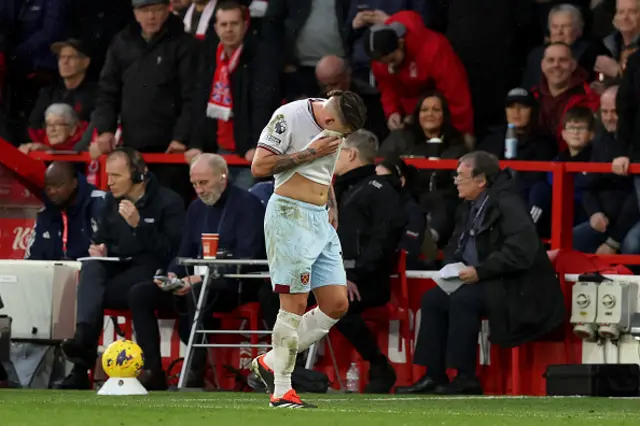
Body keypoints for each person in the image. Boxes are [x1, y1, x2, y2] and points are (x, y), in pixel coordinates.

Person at [395, 151, 565, 395]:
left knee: (464, 300)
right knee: (433, 299)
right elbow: (456, 244)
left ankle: (466, 378)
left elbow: (520, 250)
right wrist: (452, 268)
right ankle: (434, 375)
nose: (455, 181)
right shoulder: (468, 207)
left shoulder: (507, 203)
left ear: (481, 179)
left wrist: (480, 271)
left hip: (516, 286)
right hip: (482, 279)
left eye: (461, 176)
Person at [250, 90, 367, 408]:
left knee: (337, 303)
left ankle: (269, 362)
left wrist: (331, 202)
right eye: (342, 132)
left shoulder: (336, 117)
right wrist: (309, 152)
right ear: (330, 120)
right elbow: (258, 167)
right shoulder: (288, 116)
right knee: (294, 305)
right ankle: (281, 390)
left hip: (320, 219)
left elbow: (325, 170)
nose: (342, 138)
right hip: (289, 215)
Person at [129, 153, 265, 390]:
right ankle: (152, 371)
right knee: (140, 294)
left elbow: (248, 257)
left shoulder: (247, 205)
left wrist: (201, 278)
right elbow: (184, 253)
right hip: (195, 282)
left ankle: (195, 370)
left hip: (234, 285)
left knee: (198, 290)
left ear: (223, 178)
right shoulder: (195, 208)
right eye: (194, 184)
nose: (199, 190)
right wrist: (172, 275)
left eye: (204, 183)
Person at [56, 147, 185, 389]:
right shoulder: (110, 201)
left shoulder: (169, 202)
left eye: (116, 176)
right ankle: (82, 345)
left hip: (153, 271)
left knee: (95, 294)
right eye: (108, 175)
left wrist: (139, 225)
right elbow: (102, 237)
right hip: (119, 268)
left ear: (138, 175)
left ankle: (81, 359)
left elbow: (172, 252)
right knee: (91, 268)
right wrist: (100, 248)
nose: (109, 182)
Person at [25, 161, 105, 261]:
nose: (52, 192)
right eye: (48, 187)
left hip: (92, 273)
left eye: (58, 185)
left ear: (74, 183)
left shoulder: (99, 203)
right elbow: (31, 260)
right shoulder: (45, 214)